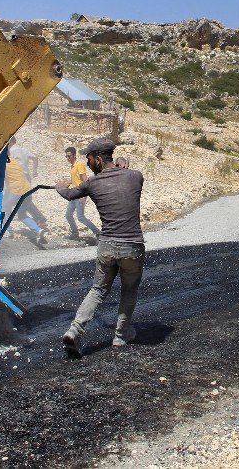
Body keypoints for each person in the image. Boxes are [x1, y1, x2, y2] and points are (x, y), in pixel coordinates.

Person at [55, 138, 145, 358]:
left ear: (97, 158)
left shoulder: (92, 184)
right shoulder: (136, 176)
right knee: (129, 289)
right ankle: (121, 335)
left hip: (107, 245)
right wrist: (124, 167)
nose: (88, 164)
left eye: (89, 159)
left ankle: (75, 330)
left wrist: (60, 186)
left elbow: (70, 194)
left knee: (98, 289)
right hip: (132, 245)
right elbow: (127, 180)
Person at [3, 137, 50, 245]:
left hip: (17, 191)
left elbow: (4, 181)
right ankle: (38, 230)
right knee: (22, 214)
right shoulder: (14, 161)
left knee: (4, 208)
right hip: (27, 187)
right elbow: (34, 158)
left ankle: (8, 231)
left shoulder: (4, 165)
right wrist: (35, 171)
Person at [64, 146, 100, 241]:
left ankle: (98, 233)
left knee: (80, 217)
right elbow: (74, 180)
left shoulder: (79, 165)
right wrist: (65, 184)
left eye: (69, 156)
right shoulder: (72, 167)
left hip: (80, 194)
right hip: (74, 194)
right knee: (68, 214)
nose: (68, 158)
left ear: (74, 155)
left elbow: (85, 180)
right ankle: (75, 233)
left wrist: (84, 195)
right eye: (66, 156)